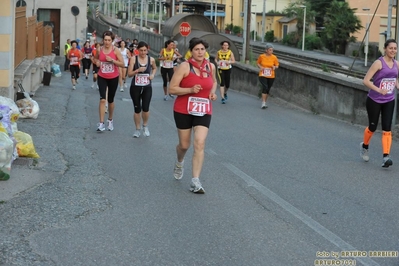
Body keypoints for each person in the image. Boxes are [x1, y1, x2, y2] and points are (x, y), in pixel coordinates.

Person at [169, 38, 217, 194]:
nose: (200, 52)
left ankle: (195, 181)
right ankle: (179, 161)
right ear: (191, 51)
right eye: (196, 49)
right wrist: (189, 90)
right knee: (184, 145)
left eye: (202, 49)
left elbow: (214, 82)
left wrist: (212, 93)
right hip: (183, 109)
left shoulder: (210, 67)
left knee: (200, 142)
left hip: (203, 109)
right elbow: (172, 89)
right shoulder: (184, 66)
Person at [360, 39, 399, 167]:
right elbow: (366, 81)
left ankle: (386, 157)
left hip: (389, 100)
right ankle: (365, 146)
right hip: (374, 100)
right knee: (372, 126)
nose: (393, 50)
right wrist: (378, 90)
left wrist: (397, 86)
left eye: (395, 48)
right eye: (391, 48)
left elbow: (394, 79)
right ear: (385, 49)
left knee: (387, 128)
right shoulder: (378, 63)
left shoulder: (397, 64)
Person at [93, 31, 125, 132]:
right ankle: (101, 123)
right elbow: (95, 59)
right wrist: (97, 62)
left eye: (109, 40)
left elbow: (122, 64)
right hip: (102, 76)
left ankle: (110, 120)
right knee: (103, 99)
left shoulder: (115, 51)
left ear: (112, 40)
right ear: (103, 40)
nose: (107, 42)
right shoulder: (100, 49)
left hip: (113, 77)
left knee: (110, 100)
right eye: (105, 40)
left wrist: (112, 60)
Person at [127, 41, 157, 138]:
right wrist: (137, 70)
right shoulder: (133, 59)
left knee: (146, 108)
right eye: (141, 50)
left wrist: (152, 75)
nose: (143, 53)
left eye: (145, 50)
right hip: (135, 87)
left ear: (147, 50)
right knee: (137, 109)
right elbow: (129, 74)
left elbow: (155, 68)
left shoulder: (151, 59)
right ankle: (137, 129)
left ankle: (145, 125)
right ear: (137, 50)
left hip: (147, 87)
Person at [256, 43, 279, 109]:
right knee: (265, 87)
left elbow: (277, 65)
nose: (271, 51)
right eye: (270, 50)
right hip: (263, 74)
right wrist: (260, 67)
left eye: (272, 50)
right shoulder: (261, 56)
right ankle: (263, 103)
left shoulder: (274, 57)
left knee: (268, 89)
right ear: (266, 50)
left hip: (271, 75)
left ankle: (265, 102)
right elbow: (258, 63)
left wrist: (274, 67)